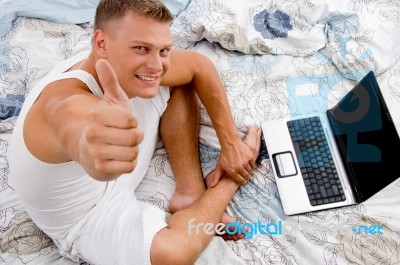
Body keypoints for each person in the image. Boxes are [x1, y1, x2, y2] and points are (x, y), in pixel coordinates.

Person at [9, 0, 261, 264]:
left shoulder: (132, 67)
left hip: (122, 156)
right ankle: (222, 188)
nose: (157, 64)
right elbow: (75, 125)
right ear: (101, 43)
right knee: (171, 257)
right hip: (89, 214)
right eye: (141, 48)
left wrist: (231, 143)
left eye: (163, 49)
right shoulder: (61, 101)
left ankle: (190, 193)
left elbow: (199, 65)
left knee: (181, 81)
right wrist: (94, 149)